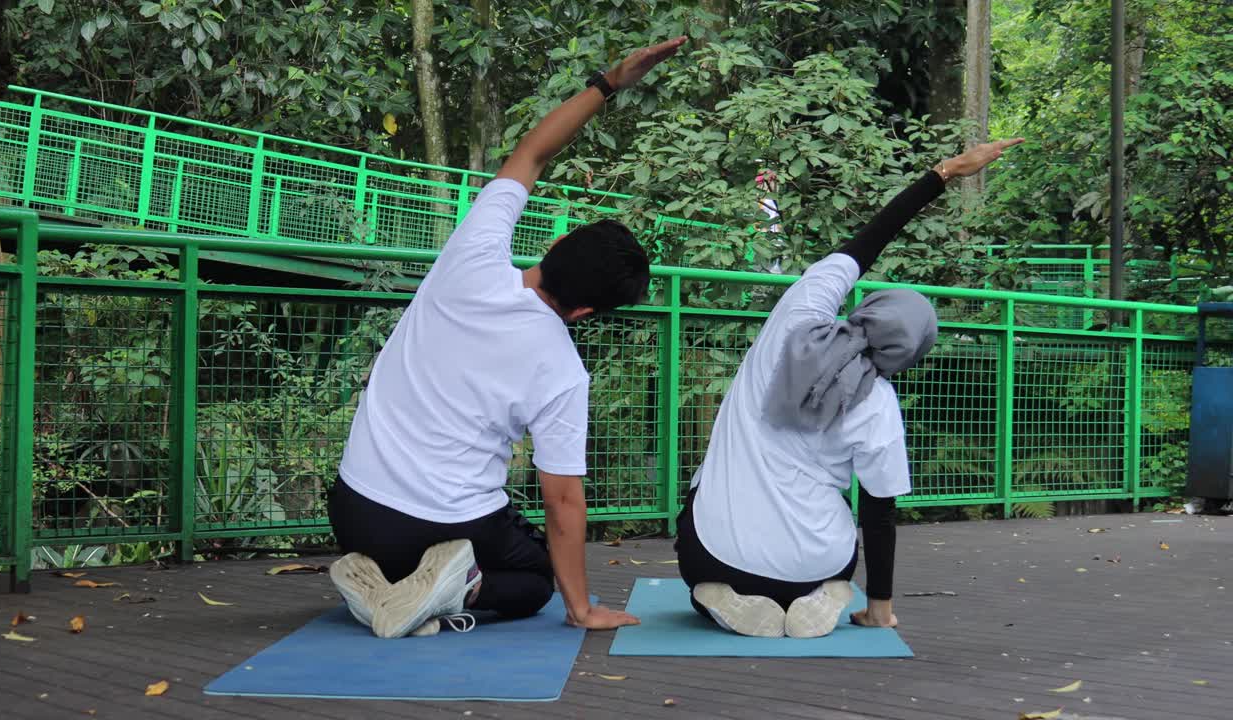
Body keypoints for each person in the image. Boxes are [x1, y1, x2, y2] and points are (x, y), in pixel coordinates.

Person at [327, 37, 689, 639]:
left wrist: (609, 82)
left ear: (553, 248)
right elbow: (563, 502)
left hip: (355, 510)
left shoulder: (469, 257)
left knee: (474, 539)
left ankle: (389, 588)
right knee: (532, 583)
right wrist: (581, 608)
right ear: (587, 310)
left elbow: (532, 154)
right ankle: (450, 588)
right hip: (443, 529)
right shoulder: (561, 370)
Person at [675, 138, 1024, 638]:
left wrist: (944, 172)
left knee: (696, 504)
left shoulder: (796, 317)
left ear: (868, 308)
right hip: (819, 560)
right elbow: (879, 513)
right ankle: (823, 595)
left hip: (722, 552)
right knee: (843, 533)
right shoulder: (879, 403)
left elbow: (870, 239)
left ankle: (719, 596)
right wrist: (879, 607)